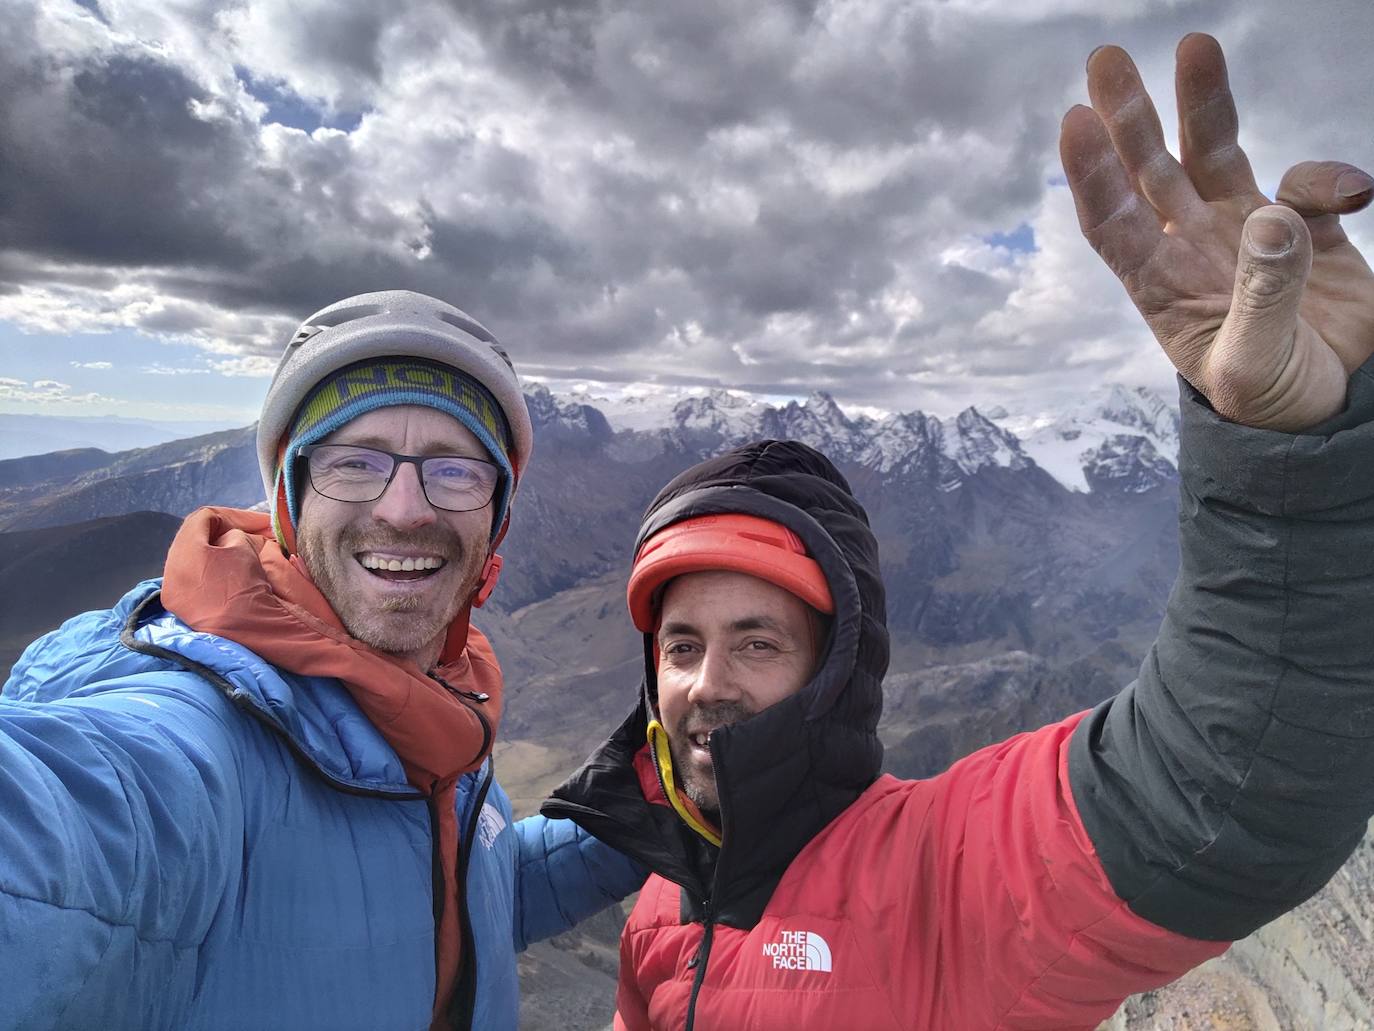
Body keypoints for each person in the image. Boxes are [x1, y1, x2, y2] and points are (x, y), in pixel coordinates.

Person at [543, 34, 1374, 1029]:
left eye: (758, 641)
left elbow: (1212, 794)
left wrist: (1292, 467)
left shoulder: (942, 880)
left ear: (832, 671)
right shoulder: (659, 913)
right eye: (682, 645)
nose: (706, 681)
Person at [0, 290, 644, 1030]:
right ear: (290, 495)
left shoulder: (435, 710)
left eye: (455, 470)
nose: (405, 509)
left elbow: (456, 901)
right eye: (354, 463)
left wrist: (654, 803)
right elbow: (60, 832)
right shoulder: (195, 740)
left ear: (496, 514)